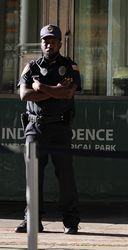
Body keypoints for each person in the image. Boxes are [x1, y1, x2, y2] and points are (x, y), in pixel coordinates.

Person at [15, 24, 81, 235]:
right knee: (33, 176)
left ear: (60, 43)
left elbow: (68, 94)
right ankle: (32, 219)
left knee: (66, 176)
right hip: (35, 127)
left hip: (60, 127)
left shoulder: (70, 67)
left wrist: (40, 87)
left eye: (53, 41)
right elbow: (25, 96)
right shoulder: (31, 67)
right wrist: (55, 90)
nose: (49, 44)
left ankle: (70, 221)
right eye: (45, 41)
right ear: (41, 43)